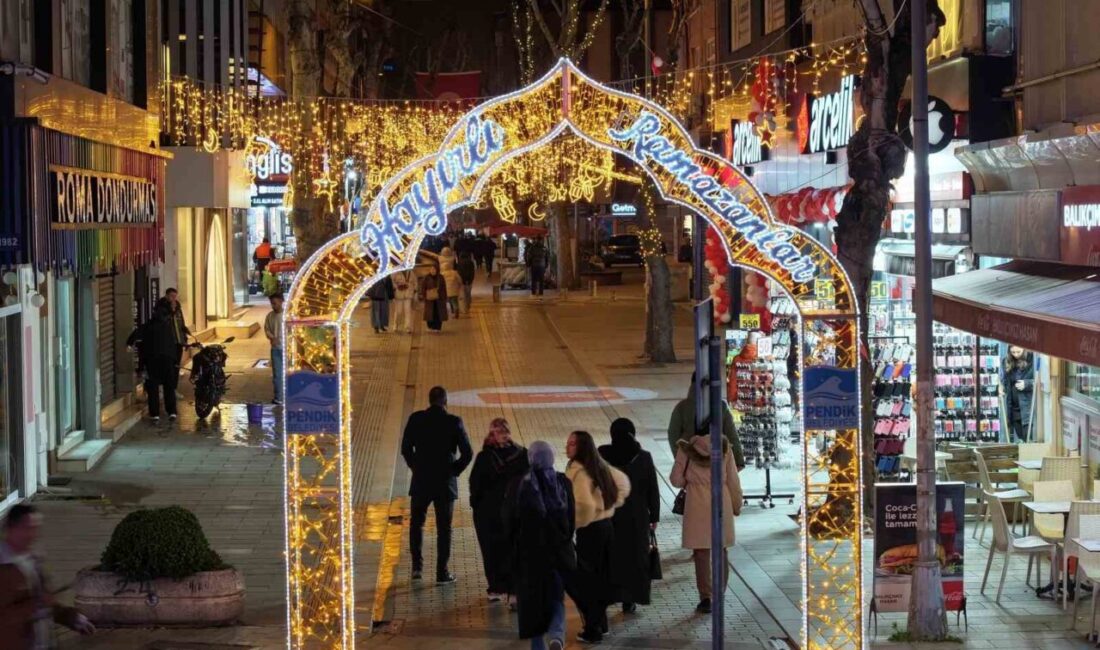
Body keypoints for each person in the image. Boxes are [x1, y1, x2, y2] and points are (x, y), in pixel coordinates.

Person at [505, 441, 575, 650]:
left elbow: (509, 520)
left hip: (529, 554)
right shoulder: (562, 482)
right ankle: (556, 636)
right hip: (557, 551)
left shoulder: (519, 484)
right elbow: (571, 518)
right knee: (556, 597)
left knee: (533, 602)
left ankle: (538, 646)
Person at [401, 386, 474, 583]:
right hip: (445, 483)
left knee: (417, 524)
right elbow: (468, 453)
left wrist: (415, 466)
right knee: (444, 528)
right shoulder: (453, 422)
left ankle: (417, 567)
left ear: (429, 400)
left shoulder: (416, 419)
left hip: (421, 481)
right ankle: (442, 572)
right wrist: (454, 471)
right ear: (445, 401)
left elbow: (405, 448)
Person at [564, 430, 630, 644]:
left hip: (590, 531)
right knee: (600, 578)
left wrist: (576, 523)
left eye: (573, 443)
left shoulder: (577, 470)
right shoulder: (598, 465)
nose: (568, 446)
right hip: (606, 527)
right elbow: (623, 483)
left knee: (588, 582)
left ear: (581, 447)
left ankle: (592, 629)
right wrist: (610, 506)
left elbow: (584, 504)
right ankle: (601, 624)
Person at [0, 503, 96, 648]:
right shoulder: (3, 567)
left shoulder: (32, 560)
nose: (33, 535)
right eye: (28, 528)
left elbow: (46, 602)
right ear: (11, 528)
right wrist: (36, 604)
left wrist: (72, 618)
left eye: (35, 528)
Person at [670, 434, 742, 614]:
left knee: (701, 552)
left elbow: (676, 480)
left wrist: (691, 478)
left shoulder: (687, 449)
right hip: (721, 501)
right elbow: (733, 480)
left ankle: (706, 597)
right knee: (721, 550)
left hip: (696, 503)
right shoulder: (724, 447)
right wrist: (736, 504)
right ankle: (720, 594)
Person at [598, 418, 659, 613]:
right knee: (634, 558)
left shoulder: (603, 455)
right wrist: (654, 516)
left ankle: (611, 594)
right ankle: (630, 599)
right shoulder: (644, 457)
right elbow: (653, 489)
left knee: (613, 557)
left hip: (610, 515)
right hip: (637, 517)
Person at [470, 418, 529, 602]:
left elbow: (475, 485)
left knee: (491, 550)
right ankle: (514, 591)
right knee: (513, 549)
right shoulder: (522, 454)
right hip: (515, 510)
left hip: (488, 513)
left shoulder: (484, 457)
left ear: (491, 434)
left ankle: (495, 588)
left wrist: (477, 505)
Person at [667, 373, 745, 470]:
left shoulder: (682, 407)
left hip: (690, 460)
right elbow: (732, 434)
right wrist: (738, 460)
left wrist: (680, 457)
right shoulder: (721, 407)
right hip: (717, 459)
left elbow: (673, 434)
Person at [142, 298, 181, 421]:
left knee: (153, 387)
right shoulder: (167, 326)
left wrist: (142, 364)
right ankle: (172, 411)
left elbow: (142, 343)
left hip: (152, 360)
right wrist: (174, 361)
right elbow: (172, 345)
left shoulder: (149, 325)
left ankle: (155, 413)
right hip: (167, 360)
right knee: (169, 386)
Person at [1001, 345, 1035, 442]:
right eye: (1013, 352)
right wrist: (1000, 387)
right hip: (1013, 408)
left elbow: (1039, 382)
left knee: (1028, 439)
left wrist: (1027, 384)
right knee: (1021, 440)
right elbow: (1004, 381)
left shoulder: (1032, 360)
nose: (1016, 355)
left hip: (1027, 408)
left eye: (1018, 352)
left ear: (1024, 349)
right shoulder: (1006, 361)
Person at [265, 293, 285, 405]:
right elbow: (267, 329)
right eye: (272, 303)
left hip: (287, 349)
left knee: (287, 374)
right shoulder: (270, 316)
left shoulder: (286, 315)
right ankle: (278, 397)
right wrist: (272, 337)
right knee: (277, 375)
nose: (273, 306)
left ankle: (286, 396)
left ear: (281, 301)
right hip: (275, 349)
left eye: (275, 303)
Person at [419, 263, 449, 332]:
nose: (433, 271)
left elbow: (444, 288)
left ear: (437, 270)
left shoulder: (441, 277)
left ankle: (437, 327)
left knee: (438, 313)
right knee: (430, 313)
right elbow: (423, 287)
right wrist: (424, 296)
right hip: (429, 299)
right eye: (431, 269)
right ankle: (430, 326)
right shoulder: (427, 277)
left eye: (434, 269)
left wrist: (444, 297)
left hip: (439, 298)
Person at [392, 269, 416, 334]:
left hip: (408, 294)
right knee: (398, 311)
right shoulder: (396, 272)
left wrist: (414, 290)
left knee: (408, 311)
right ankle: (396, 325)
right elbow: (392, 281)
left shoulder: (410, 272)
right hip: (399, 295)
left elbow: (415, 282)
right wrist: (397, 286)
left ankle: (408, 327)